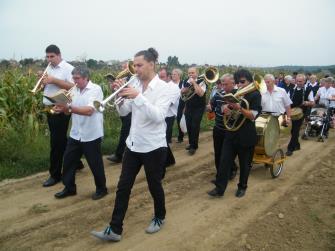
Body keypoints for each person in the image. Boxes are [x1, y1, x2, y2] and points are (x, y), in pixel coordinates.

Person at [91, 48, 174, 242]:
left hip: (154, 146)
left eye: (139, 65)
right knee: (123, 187)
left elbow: (158, 116)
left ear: (151, 64)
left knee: (154, 185)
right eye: (134, 65)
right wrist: (119, 96)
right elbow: (124, 112)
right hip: (134, 144)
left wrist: (138, 96)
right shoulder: (135, 82)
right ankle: (115, 228)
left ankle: (160, 217)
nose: (135, 69)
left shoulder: (164, 88)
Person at [53, 66, 108, 200]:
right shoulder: (73, 90)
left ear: (85, 78)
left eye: (77, 78)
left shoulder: (96, 89)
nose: (75, 81)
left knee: (95, 164)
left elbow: (89, 111)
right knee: (68, 161)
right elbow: (68, 111)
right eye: (74, 78)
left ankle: (102, 189)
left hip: (91, 134)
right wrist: (62, 108)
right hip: (76, 133)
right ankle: (69, 188)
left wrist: (69, 108)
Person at [207, 69, 262, 198]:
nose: (240, 84)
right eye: (238, 82)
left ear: (250, 81)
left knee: (244, 164)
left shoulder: (255, 95)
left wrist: (240, 108)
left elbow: (253, 116)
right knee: (224, 161)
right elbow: (229, 109)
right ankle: (219, 188)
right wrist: (226, 109)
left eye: (242, 81)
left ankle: (242, 187)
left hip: (246, 135)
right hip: (231, 133)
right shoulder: (236, 93)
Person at [41, 44, 83, 187]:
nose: (49, 59)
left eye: (52, 56)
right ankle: (76, 162)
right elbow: (49, 87)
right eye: (47, 56)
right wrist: (43, 82)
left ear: (59, 55)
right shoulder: (49, 68)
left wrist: (54, 80)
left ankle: (55, 175)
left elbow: (75, 87)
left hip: (60, 106)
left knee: (56, 142)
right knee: (59, 138)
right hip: (49, 106)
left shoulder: (68, 68)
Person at [209, 74, 238, 183]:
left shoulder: (237, 95)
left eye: (226, 84)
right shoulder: (218, 94)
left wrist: (231, 112)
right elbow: (211, 107)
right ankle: (219, 175)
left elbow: (240, 113)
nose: (223, 86)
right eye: (222, 84)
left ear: (233, 83)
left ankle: (230, 171)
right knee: (218, 153)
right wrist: (209, 107)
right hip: (218, 128)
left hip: (230, 130)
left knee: (226, 154)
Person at [106, 62, 132, 164]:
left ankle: (119, 155)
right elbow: (116, 94)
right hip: (123, 109)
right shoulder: (124, 79)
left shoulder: (133, 80)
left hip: (130, 111)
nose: (123, 70)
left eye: (125, 68)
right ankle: (168, 158)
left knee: (124, 132)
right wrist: (113, 88)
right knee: (127, 132)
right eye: (123, 68)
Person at [286, 74, 314, 156]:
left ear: (304, 81)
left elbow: (312, 103)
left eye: (300, 81)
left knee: (295, 130)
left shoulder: (309, 90)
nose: (298, 83)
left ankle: (290, 148)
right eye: (297, 81)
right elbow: (287, 101)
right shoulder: (291, 89)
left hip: (301, 113)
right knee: (293, 130)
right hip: (291, 112)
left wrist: (307, 102)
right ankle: (297, 145)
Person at [181, 67, 207, 155]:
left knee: (195, 125)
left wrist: (194, 83)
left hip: (199, 107)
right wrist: (183, 91)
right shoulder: (185, 81)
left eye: (192, 73)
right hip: (189, 107)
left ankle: (194, 146)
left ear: (197, 73)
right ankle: (191, 143)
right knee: (189, 125)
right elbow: (184, 95)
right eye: (189, 73)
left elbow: (200, 93)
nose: (190, 75)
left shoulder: (202, 82)